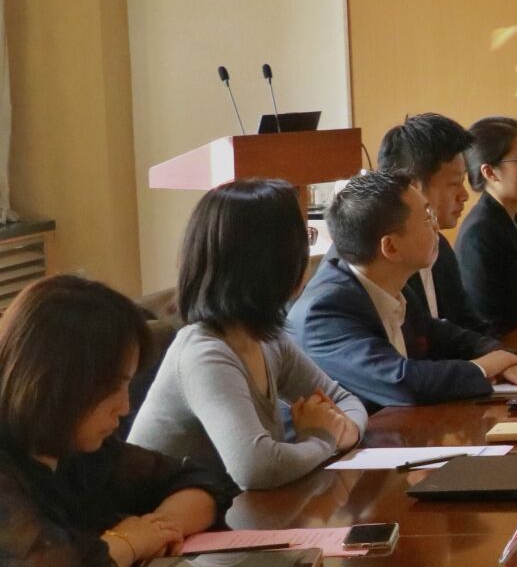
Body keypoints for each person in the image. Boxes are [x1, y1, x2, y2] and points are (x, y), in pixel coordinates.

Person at [0, 276, 235, 567]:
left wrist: (159, 528)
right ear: (55, 384)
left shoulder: (80, 450)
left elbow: (203, 480)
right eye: (113, 388)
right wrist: (131, 541)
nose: (125, 407)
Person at [130, 179, 369, 490]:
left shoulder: (266, 339)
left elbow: (344, 400)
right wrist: (324, 439)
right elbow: (257, 469)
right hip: (163, 517)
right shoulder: (205, 354)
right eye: (303, 240)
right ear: (270, 262)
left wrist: (344, 430)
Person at [290, 172, 517, 409]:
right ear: (390, 247)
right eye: (426, 217)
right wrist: (483, 367)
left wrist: (497, 354)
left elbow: (438, 333)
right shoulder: (325, 311)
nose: (436, 226)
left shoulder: (389, 281)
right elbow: (401, 382)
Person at [376, 112, 485, 334]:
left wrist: (502, 352)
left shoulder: (439, 246)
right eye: (454, 183)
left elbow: (468, 326)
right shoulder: (384, 259)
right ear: (413, 187)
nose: (464, 195)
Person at [456, 116, 517, 338]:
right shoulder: (479, 233)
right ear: (489, 172)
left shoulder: (513, 220)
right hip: (507, 352)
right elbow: (487, 325)